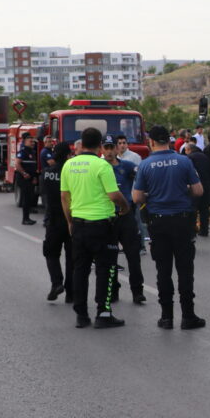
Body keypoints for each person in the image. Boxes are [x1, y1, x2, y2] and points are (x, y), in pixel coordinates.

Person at [133, 125, 206, 330]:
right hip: (182, 221)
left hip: (158, 222)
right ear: (169, 140)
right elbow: (198, 191)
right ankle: (188, 316)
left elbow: (137, 197)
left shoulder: (145, 165)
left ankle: (166, 317)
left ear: (151, 142)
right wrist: (182, 192)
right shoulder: (184, 161)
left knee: (163, 271)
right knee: (185, 270)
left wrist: (153, 195)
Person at [60, 127, 130, 329]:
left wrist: (70, 221)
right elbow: (114, 195)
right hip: (102, 225)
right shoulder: (102, 165)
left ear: (81, 144)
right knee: (105, 270)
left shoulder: (68, 165)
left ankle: (81, 315)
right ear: (100, 145)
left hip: (79, 224)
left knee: (80, 270)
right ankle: (103, 313)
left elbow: (64, 197)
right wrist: (124, 207)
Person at [101, 135, 146, 304]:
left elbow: (142, 176)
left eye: (111, 147)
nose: (109, 151)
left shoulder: (126, 166)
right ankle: (113, 290)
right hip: (108, 217)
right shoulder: (99, 167)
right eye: (106, 147)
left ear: (116, 149)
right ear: (102, 149)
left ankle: (137, 291)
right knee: (109, 258)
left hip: (126, 215)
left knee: (133, 255)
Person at [41, 142, 73, 302]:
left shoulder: (46, 173)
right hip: (71, 219)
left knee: (51, 253)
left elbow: (43, 193)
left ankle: (56, 283)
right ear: (68, 155)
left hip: (52, 219)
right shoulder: (72, 173)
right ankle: (71, 293)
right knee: (72, 257)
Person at [184, 140, 210, 237]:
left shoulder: (189, 158)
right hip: (207, 186)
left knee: (193, 209)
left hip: (195, 186)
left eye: (186, 150)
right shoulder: (205, 157)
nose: (185, 152)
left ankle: (192, 231)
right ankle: (204, 230)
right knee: (204, 209)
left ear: (189, 150)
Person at [16, 132, 39, 225]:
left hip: (30, 179)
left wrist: (34, 177)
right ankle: (25, 219)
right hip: (24, 179)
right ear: (25, 142)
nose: (32, 143)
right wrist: (24, 173)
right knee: (26, 199)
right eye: (30, 141)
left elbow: (33, 166)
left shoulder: (32, 152)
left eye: (33, 142)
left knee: (30, 198)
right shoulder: (23, 152)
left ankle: (28, 217)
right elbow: (17, 164)